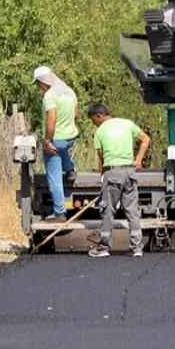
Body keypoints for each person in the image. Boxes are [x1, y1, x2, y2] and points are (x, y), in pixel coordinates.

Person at [87, 103, 150, 258]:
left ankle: (104, 247)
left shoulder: (100, 131)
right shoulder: (127, 124)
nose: (94, 123)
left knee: (108, 210)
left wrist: (103, 176)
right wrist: (138, 160)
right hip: (130, 172)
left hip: (112, 172)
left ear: (99, 116)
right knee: (132, 211)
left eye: (93, 120)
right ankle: (137, 248)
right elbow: (145, 139)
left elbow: (102, 159)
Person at [34, 66, 78, 223]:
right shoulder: (68, 91)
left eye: (38, 84)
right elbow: (77, 113)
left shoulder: (50, 95)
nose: (38, 88)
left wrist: (47, 140)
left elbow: (51, 119)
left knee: (54, 178)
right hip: (71, 135)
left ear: (42, 82)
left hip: (56, 138)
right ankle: (70, 169)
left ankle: (59, 213)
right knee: (62, 149)